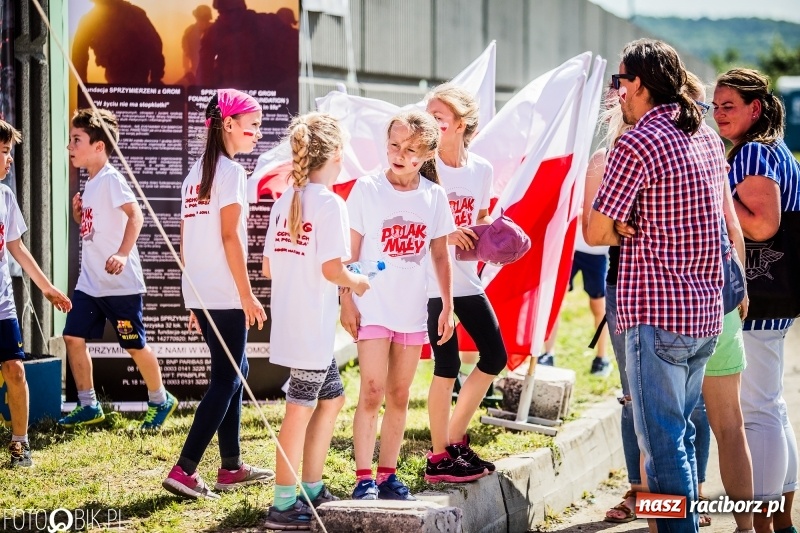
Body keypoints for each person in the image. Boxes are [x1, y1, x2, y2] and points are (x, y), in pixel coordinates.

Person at [587, 39, 726, 533]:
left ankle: (676, 528)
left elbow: (596, 231)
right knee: (680, 437)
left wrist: (617, 217)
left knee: (662, 446)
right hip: (704, 314)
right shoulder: (704, 134)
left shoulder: (637, 140)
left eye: (619, 81)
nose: (616, 91)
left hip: (655, 314)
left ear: (639, 84)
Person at [162, 89, 273, 500]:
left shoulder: (196, 173)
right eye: (253, 125)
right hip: (223, 294)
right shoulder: (229, 174)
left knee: (234, 370)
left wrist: (194, 297)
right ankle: (185, 468)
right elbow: (230, 238)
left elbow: (187, 237)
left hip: (204, 293)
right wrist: (246, 295)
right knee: (227, 378)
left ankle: (231, 466)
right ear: (228, 124)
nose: (257, 133)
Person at [261, 113, 371, 529]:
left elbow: (269, 268)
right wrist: (358, 282)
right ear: (337, 154)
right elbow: (332, 270)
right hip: (310, 329)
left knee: (332, 398)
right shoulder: (329, 203)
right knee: (299, 410)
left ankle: (310, 486)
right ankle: (283, 504)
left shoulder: (284, 201)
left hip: (300, 325)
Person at [341, 110, 456, 500]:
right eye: (394, 145)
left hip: (411, 311)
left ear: (426, 155)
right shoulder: (366, 188)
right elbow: (350, 253)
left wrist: (447, 304)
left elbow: (440, 255)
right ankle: (363, 478)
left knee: (400, 395)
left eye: (410, 149)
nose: (400, 153)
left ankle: (388, 474)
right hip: (371, 306)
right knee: (371, 391)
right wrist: (346, 300)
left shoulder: (434, 196)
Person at [713, 68, 800, 533]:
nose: (720, 113)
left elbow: (762, 226)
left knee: (756, 410)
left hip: (760, 294)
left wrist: (717, 191)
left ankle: (763, 523)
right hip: (778, 293)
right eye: (716, 105)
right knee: (772, 404)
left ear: (755, 109)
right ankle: (781, 518)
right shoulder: (774, 150)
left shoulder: (753, 154)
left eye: (730, 105)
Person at [61, 109, 177, 430]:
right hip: (90, 284)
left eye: (76, 140)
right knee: (72, 337)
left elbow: (136, 216)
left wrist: (123, 254)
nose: (70, 146)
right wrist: (78, 214)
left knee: (134, 346)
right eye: (70, 140)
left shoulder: (111, 178)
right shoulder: (92, 182)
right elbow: (92, 230)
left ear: (99, 146)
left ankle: (160, 400)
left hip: (120, 286)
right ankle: (88, 405)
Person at [422, 84, 504, 483]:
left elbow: (482, 217)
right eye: (429, 114)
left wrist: (501, 235)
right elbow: (409, 224)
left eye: (439, 116)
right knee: (447, 365)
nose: (431, 121)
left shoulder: (481, 169)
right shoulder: (424, 166)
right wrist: (447, 233)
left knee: (495, 356)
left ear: (461, 124)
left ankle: (455, 440)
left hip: (469, 280)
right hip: (432, 282)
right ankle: (438, 457)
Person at [0, 120, 71, 467]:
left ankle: (20, 444)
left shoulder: (6, 196)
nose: (9, 160)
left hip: (3, 307)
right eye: (3, 153)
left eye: (9, 153)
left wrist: (47, 287)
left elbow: (17, 248)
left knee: (15, 370)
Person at [536, 236, 610, 376]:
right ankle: (548, 353)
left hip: (598, 252)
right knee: (555, 300)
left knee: (599, 307)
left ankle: (602, 358)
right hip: (571, 248)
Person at [72, 0, 164, 85]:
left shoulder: (134, 14)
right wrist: (83, 83)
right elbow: (79, 54)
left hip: (136, 73)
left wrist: (156, 78)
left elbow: (154, 43)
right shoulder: (89, 20)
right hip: (115, 74)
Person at [180, 5, 213, 85]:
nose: (203, 22)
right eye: (201, 19)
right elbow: (186, 53)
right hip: (195, 71)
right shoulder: (190, 32)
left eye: (205, 19)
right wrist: (187, 70)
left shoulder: (215, 30)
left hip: (213, 72)